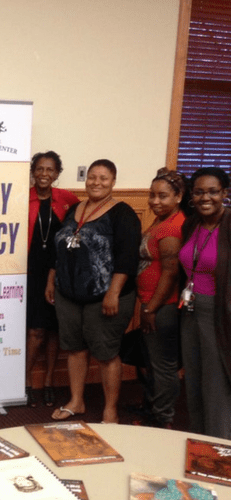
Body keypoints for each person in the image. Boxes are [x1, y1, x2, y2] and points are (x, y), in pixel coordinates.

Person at [46, 159, 140, 424]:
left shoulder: (123, 214)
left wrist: (113, 292)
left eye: (104, 178)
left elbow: (127, 258)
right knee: (75, 349)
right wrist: (52, 280)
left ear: (113, 182)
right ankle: (77, 401)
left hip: (106, 297)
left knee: (106, 352)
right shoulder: (75, 209)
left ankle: (110, 409)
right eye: (92, 177)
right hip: (69, 294)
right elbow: (59, 249)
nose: (96, 182)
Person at [179, 167, 231, 439]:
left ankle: (221, 448)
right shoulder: (191, 224)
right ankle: (199, 441)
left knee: (217, 384)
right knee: (195, 381)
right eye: (199, 192)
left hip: (220, 313)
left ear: (224, 193)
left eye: (213, 191)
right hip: (190, 310)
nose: (205, 198)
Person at [25, 151, 79, 408]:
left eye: (50, 170)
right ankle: (25, 381)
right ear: (33, 171)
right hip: (30, 271)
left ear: (57, 174)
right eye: (39, 169)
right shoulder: (23, 197)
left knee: (54, 329)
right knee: (35, 329)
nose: (44, 174)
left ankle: (47, 381)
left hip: (58, 271)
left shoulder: (67, 200)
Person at [135, 168, 186, 429]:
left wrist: (151, 309)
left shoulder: (173, 228)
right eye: (152, 195)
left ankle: (162, 420)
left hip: (162, 307)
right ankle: (153, 409)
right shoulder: (162, 221)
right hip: (150, 303)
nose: (155, 201)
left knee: (163, 366)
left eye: (163, 196)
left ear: (178, 197)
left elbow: (170, 274)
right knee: (151, 362)